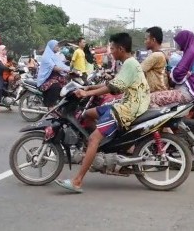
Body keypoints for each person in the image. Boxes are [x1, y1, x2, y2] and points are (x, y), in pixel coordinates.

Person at [54, 32, 150, 193]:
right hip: (129, 102)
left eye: (112, 48)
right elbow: (114, 83)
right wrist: (90, 87)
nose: (110, 51)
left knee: (93, 139)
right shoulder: (127, 62)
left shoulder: (130, 64)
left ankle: (77, 181)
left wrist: (87, 93)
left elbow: (115, 87)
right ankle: (102, 147)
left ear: (120, 48)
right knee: (87, 114)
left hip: (129, 107)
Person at [149, 30, 194, 108]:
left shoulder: (190, 52)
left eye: (178, 42)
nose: (177, 45)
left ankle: (161, 120)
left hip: (186, 93)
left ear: (184, 40)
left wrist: (171, 72)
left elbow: (178, 74)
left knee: (150, 98)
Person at [37, 40, 70, 109]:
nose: (58, 47)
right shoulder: (47, 56)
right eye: (56, 46)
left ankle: (60, 104)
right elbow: (54, 67)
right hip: (45, 80)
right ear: (51, 47)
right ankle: (50, 105)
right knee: (55, 85)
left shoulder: (53, 56)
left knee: (66, 85)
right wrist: (66, 69)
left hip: (53, 77)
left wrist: (70, 69)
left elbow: (61, 65)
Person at [141, 26, 169, 92]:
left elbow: (137, 71)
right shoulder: (163, 53)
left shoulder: (156, 55)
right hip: (163, 91)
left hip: (157, 93)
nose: (145, 42)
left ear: (153, 40)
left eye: (146, 39)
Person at [0, 45, 14, 113]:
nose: (5, 51)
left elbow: (10, 63)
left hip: (5, 75)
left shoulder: (5, 57)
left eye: (5, 50)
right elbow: (1, 66)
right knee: (0, 88)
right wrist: (9, 68)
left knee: (8, 88)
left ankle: (7, 103)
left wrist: (15, 66)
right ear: (1, 50)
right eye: (4, 50)